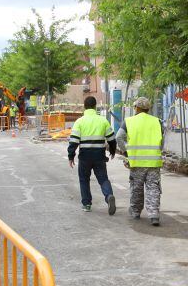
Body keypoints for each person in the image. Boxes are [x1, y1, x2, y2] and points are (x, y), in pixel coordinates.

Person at [118, 97, 164, 226]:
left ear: (137, 108)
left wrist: (126, 151)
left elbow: (119, 137)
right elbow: (161, 142)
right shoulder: (158, 121)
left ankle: (135, 212)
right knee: (153, 188)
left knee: (136, 187)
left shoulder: (128, 121)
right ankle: (154, 214)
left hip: (136, 161)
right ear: (148, 109)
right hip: (154, 162)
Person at [68, 96, 117, 214]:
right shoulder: (103, 121)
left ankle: (86, 204)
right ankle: (109, 195)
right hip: (99, 156)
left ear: (84, 107)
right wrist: (112, 150)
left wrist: (71, 156)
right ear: (95, 106)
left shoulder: (79, 121)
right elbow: (112, 139)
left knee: (84, 179)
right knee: (103, 178)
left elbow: (74, 141)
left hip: (85, 156)